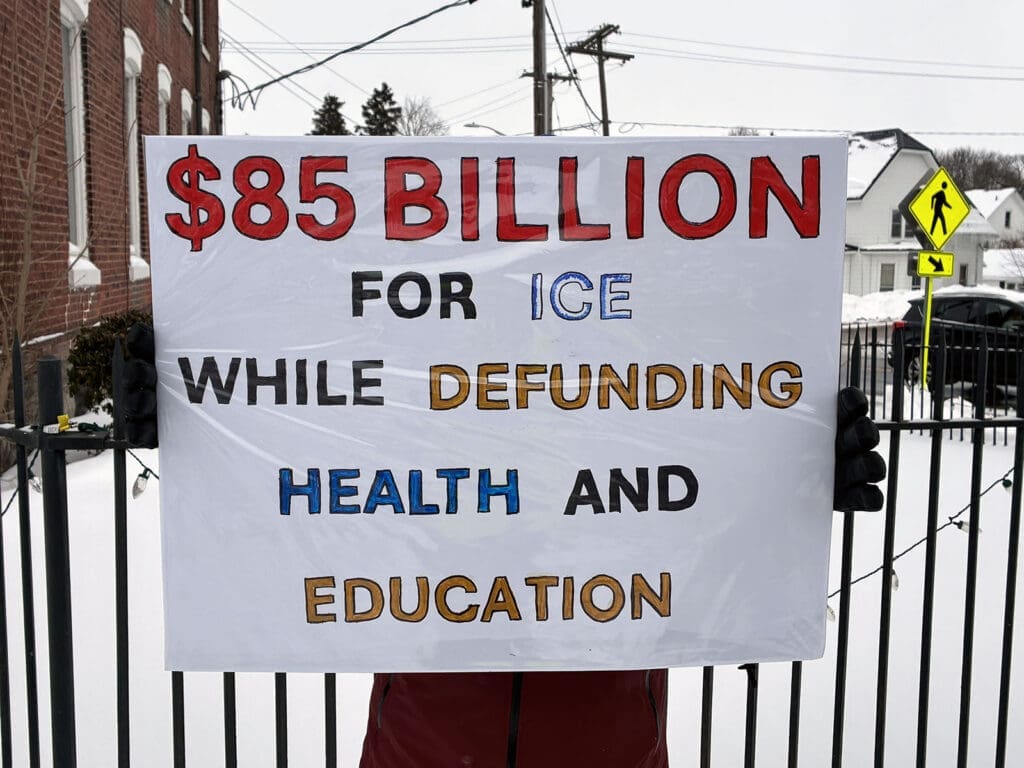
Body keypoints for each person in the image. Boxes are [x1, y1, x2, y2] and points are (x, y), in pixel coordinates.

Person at [121, 327, 885, 768]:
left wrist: (787, 497)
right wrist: (204, 427)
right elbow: (286, 523)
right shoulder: (401, 445)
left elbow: (725, 608)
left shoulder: (647, 448)